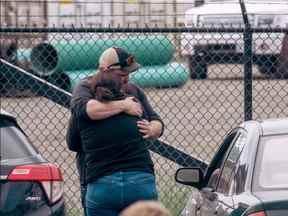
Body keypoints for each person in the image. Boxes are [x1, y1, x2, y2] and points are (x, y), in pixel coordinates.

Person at [66, 46, 164, 216]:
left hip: (117, 180)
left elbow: (157, 122)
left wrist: (153, 129)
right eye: (122, 74)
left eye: (129, 73)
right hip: (111, 180)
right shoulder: (85, 89)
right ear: (104, 70)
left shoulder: (133, 91)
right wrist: (124, 106)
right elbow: (87, 110)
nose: (127, 78)